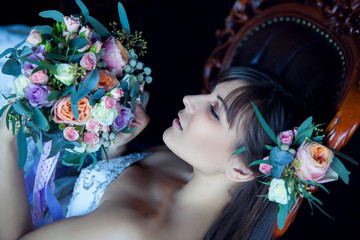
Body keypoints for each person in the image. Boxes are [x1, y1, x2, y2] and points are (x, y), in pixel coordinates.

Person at [0, 66, 307, 240]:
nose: (189, 99)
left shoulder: (136, 231)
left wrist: (6, 142)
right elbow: (95, 192)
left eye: (214, 111)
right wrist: (117, 146)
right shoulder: (189, 164)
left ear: (241, 170)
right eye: (210, 93)